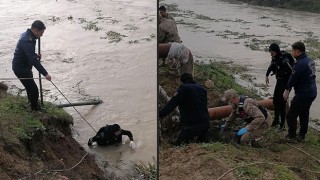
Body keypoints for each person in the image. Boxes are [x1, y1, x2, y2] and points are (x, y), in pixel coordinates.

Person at [159, 73, 210, 145]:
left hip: (191, 125)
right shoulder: (202, 89)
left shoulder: (183, 88)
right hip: (205, 123)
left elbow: (172, 104)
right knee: (202, 146)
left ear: (182, 81)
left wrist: (160, 114)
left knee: (179, 146)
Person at [12, 20, 51, 111]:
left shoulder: (28, 36)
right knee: (33, 89)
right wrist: (45, 74)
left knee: (30, 87)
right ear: (35, 30)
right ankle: (35, 109)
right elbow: (33, 60)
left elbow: (28, 53)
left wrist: (35, 55)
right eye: (41, 33)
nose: (41, 35)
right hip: (21, 68)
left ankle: (32, 104)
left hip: (23, 66)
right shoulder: (27, 40)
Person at [283, 41, 317, 142]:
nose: (292, 52)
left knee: (291, 115)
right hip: (312, 92)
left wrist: (287, 90)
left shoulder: (299, 64)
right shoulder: (310, 60)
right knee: (304, 113)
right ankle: (302, 135)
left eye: (293, 50)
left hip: (303, 94)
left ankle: (292, 135)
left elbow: (292, 79)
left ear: (297, 51)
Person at [265, 43, 294, 130]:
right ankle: (276, 120)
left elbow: (293, 73)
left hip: (285, 83)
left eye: (272, 53)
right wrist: (266, 75)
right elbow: (271, 66)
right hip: (279, 81)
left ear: (276, 51)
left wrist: (288, 89)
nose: (271, 54)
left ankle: (282, 125)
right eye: (270, 53)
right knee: (275, 101)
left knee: (282, 104)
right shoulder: (275, 57)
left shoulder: (285, 60)